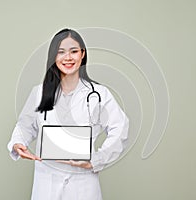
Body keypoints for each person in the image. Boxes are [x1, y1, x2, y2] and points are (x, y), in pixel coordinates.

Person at [7, 28, 129, 200]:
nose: (68, 57)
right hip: (47, 185)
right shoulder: (39, 93)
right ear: (53, 57)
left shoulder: (99, 94)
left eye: (74, 51)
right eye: (61, 52)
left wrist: (96, 159)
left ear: (82, 54)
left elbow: (121, 128)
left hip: (83, 186)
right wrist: (18, 143)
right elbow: (25, 126)